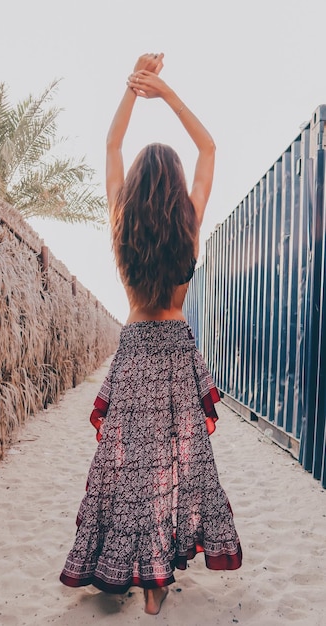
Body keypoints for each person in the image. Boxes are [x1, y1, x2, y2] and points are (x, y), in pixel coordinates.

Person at [60, 52, 242, 615]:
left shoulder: (121, 221)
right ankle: (157, 580)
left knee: (126, 464)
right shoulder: (189, 217)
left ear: (135, 184)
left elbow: (112, 146)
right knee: (174, 463)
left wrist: (132, 93)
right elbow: (209, 147)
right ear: (177, 183)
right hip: (177, 353)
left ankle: (136, 573)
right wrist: (165, 93)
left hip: (136, 350)